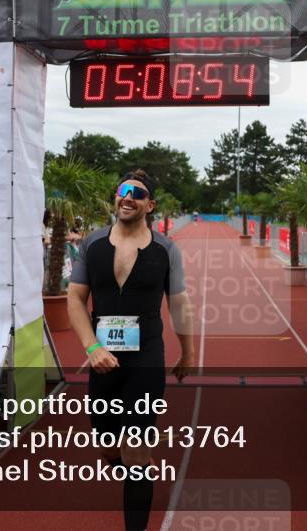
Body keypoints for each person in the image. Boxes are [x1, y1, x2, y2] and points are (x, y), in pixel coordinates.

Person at [67, 169, 194, 531]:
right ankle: (133, 466)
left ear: (149, 205)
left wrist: (188, 354)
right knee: (109, 446)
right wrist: (91, 347)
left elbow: (180, 304)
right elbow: (75, 299)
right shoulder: (91, 243)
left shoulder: (166, 249)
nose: (127, 197)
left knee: (135, 449)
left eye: (137, 193)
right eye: (123, 191)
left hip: (147, 360)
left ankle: (137, 482)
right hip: (102, 358)